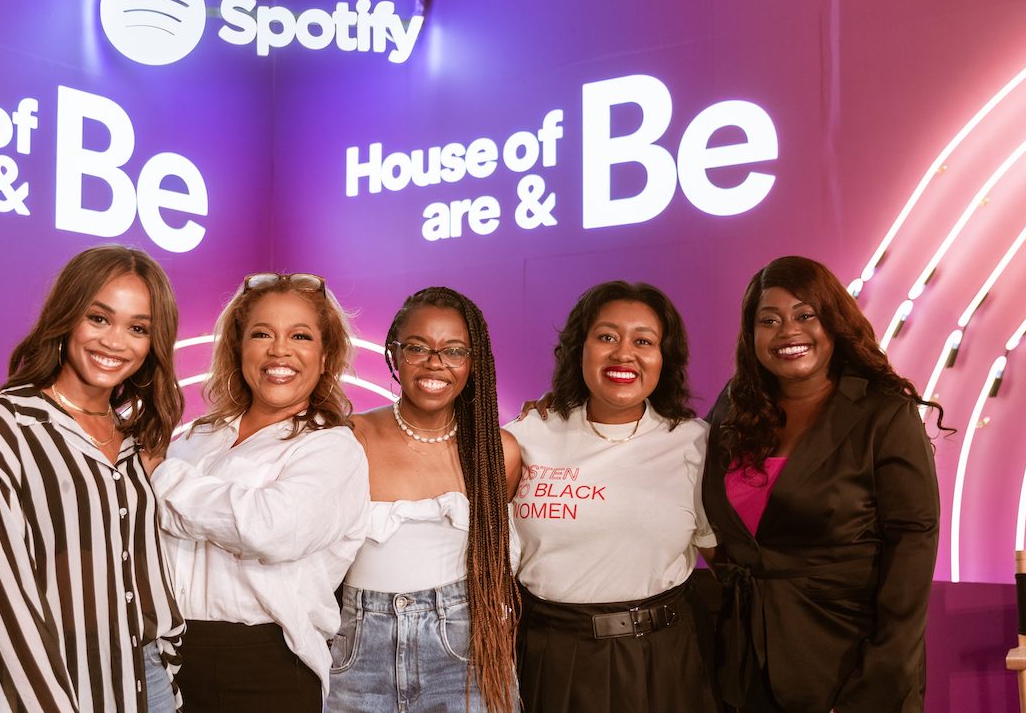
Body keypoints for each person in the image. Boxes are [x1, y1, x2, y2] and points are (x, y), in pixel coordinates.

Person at [703, 255, 943, 712]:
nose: (787, 330)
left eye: (805, 315)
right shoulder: (733, 409)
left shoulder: (883, 413)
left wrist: (879, 678)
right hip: (743, 667)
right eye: (768, 320)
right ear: (751, 336)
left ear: (832, 321)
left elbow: (912, 550)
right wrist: (569, 410)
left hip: (849, 667)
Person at [0, 245, 185, 713]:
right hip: (40, 690)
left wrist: (168, 663)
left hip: (146, 686)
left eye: (137, 328)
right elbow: (4, 601)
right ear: (67, 315)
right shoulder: (4, 428)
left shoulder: (135, 442)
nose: (115, 342)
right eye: (99, 318)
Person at [150, 272, 369, 712]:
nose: (279, 350)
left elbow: (272, 529)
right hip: (169, 656)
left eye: (301, 336)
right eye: (261, 333)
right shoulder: (195, 438)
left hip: (266, 666)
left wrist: (161, 478)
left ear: (325, 357)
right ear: (239, 348)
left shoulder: (332, 449)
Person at [507, 280, 719, 713]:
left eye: (644, 341)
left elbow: (726, 561)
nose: (624, 353)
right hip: (551, 656)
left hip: (661, 658)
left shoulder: (694, 443)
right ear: (578, 349)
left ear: (664, 358)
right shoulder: (524, 435)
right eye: (606, 337)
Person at [326, 287, 523, 713]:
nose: (436, 363)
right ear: (393, 353)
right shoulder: (350, 437)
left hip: (464, 652)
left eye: (454, 351)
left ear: (473, 363)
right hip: (358, 651)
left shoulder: (497, 452)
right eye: (418, 347)